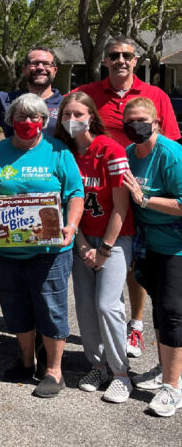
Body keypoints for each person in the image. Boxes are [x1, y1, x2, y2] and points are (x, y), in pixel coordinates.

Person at [75, 36, 181, 358]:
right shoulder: (91, 94)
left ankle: (135, 327)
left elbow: (171, 145)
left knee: (140, 269)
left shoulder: (155, 95)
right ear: (105, 60)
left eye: (127, 55)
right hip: (102, 193)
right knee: (118, 270)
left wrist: (147, 197)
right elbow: (70, 119)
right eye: (114, 55)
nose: (121, 60)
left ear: (136, 60)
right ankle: (110, 336)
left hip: (142, 196)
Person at [0, 93, 84, 399]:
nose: (28, 123)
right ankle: (27, 361)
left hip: (51, 251)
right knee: (15, 307)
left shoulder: (58, 150)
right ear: (11, 120)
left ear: (44, 121)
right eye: (22, 117)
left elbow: (75, 193)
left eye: (35, 117)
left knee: (50, 306)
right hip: (10, 249)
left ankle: (54, 370)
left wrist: (72, 225)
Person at [54, 92, 134, 403]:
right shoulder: (64, 153)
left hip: (114, 239)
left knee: (106, 305)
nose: (72, 120)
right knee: (85, 306)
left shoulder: (110, 150)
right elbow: (65, 203)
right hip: (81, 238)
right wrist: (83, 243)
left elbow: (121, 208)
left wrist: (104, 250)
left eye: (78, 114)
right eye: (66, 114)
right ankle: (97, 365)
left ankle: (121, 373)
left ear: (91, 116)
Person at [121, 97, 182, 417]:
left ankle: (173, 388)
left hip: (176, 247)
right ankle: (165, 370)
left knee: (173, 312)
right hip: (148, 246)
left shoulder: (171, 155)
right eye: (129, 121)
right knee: (160, 310)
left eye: (142, 120)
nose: (135, 126)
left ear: (156, 123)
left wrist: (144, 199)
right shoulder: (130, 154)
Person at [0, 47, 64, 137]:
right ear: (24, 69)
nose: (40, 67)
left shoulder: (66, 105)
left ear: (55, 71)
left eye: (46, 64)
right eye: (34, 63)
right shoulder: (4, 100)